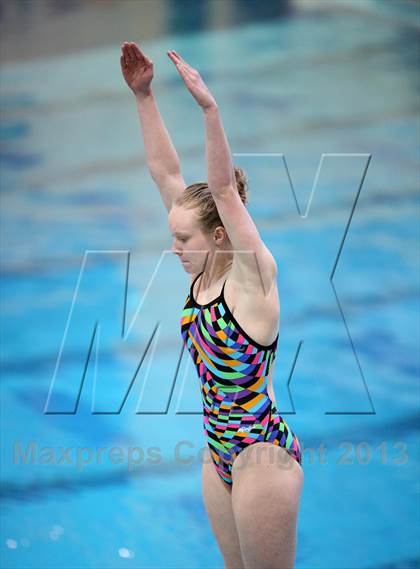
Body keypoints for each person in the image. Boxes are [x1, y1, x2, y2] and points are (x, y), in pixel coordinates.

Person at [120, 41, 304, 569]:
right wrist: (144, 96)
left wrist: (209, 109)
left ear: (221, 235)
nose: (174, 249)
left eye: (185, 240)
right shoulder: (202, 272)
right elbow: (164, 174)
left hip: (259, 456)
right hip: (216, 451)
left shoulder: (252, 279)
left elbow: (222, 189)